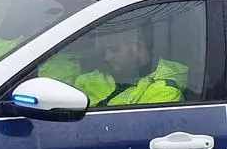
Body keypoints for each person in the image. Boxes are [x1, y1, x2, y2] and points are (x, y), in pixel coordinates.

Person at [40, 27, 188, 107]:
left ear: (138, 47)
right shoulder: (98, 75)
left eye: (114, 49)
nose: (107, 57)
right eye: (105, 50)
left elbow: (130, 132)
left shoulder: (165, 90)